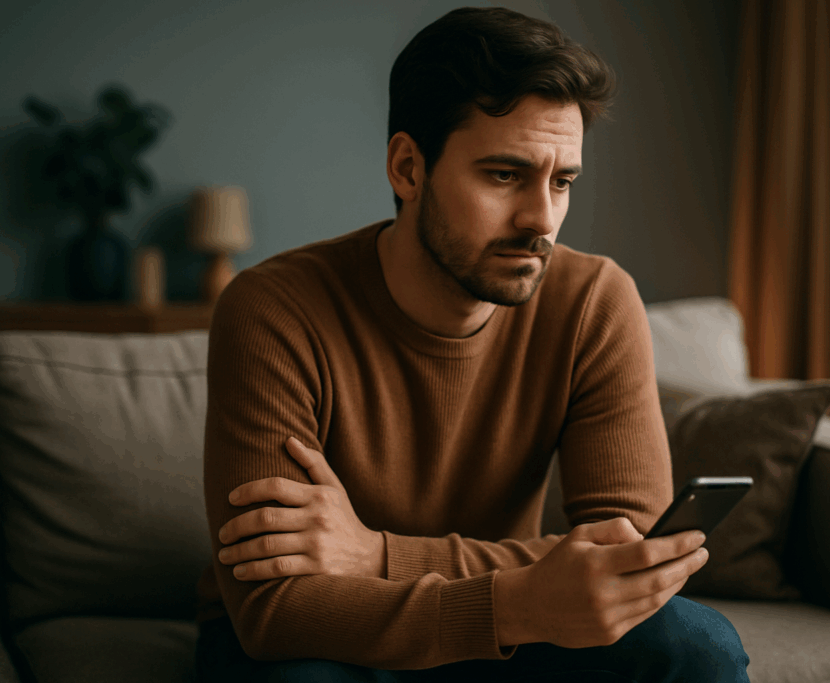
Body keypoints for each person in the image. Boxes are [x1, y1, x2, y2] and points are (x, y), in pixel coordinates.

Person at [195, 6, 751, 682]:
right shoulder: (274, 309)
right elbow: (273, 607)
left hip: (500, 632)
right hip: (329, 636)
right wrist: (517, 598)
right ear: (408, 167)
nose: (541, 219)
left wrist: (378, 554)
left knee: (698, 646)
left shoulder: (594, 301)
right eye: (505, 175)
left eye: (562, 181)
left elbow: (631, 562)